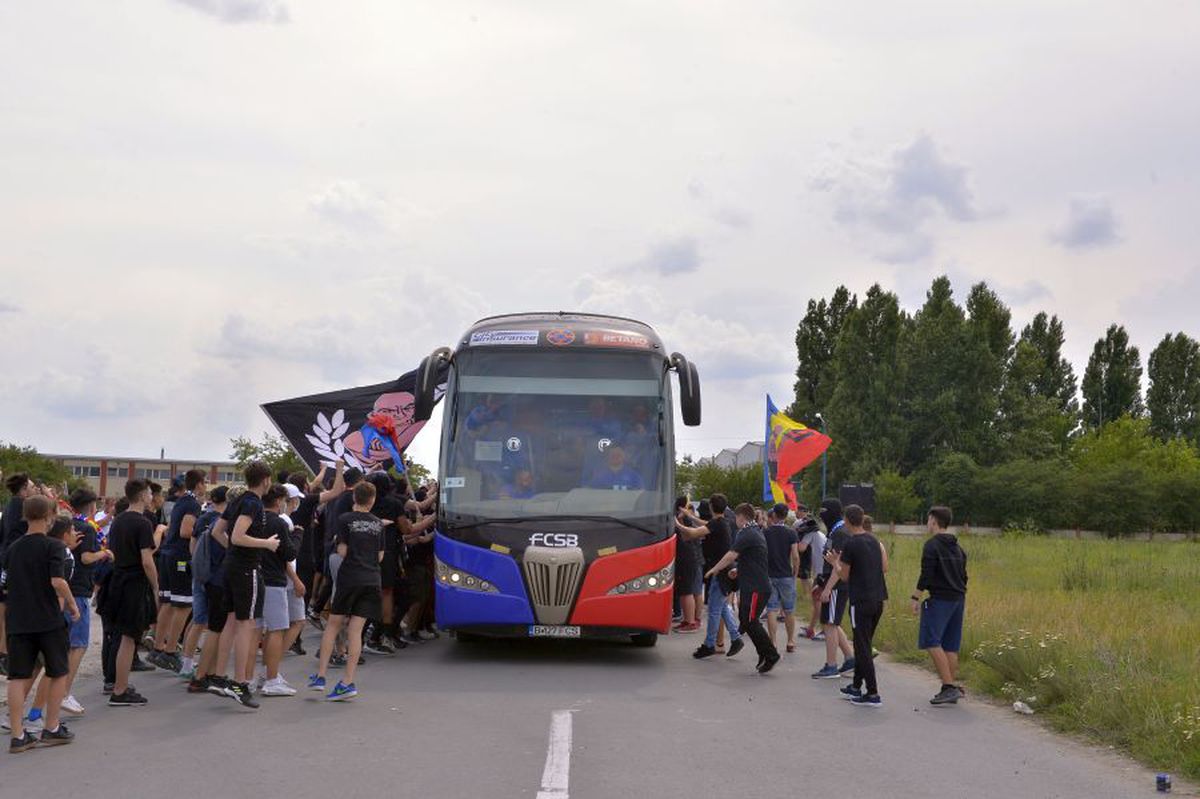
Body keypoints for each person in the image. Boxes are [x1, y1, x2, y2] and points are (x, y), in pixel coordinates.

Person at [5, 496, 79, 752]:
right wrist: (72, 604)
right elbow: (57, 581)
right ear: (49, 517)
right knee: (57, 671)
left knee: (18, 676)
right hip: (47, 618)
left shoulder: (13, 548)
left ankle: (17, 734)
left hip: (18, 620)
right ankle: (52, 726)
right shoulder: (53, 547)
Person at [209, 462, 279, 709]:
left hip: (232, 566)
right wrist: (266, 544)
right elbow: (238, 536)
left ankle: (219, 677)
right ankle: (239, 683)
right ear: (266, 479)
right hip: (245, 569)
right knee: (246, 624)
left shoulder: (237, 499)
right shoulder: (252, 503)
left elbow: (217, 532)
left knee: (231, 621)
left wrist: (233, 552)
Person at [309, 480, 384, 701]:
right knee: (355, 630)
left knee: (333, 625)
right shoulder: (379, 524)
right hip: (372, 579)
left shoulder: (345, 520)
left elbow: (342, 551)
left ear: (354, 498)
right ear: (372, 500)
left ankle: (321, 675)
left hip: (350, 577)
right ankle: (348, 681)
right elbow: (380, 556)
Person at [99, 480, 159, 707]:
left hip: (117, 579)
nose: (151, 496)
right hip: (134, 583)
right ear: (143, 495)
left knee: (122, 635)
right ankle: (120, 690)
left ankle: (119, 683)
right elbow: (147, 560)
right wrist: (155, 586)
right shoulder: (142, 523)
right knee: (129, 638)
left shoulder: (119, 519)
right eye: (150, 492)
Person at [704, 503, 779, 674]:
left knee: (751, 622)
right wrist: (738, 570)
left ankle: (771, 654)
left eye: (735, 518)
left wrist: (715, 569)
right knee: (746, 621)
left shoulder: (747, 533)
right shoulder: (753, 531)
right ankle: (764, 654)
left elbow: (732, 554)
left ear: (740, 517)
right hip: (752, 585)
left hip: (756, 587)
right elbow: (753, 557)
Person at [827, 504, 889, 708]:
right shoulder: (874, 540)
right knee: (865, 642)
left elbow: (843, 575)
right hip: (878, 598)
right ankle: (855, 686)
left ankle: (872, 693)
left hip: (860, 600)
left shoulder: (851, 544)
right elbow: (883, 567)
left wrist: (835, 562)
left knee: (862, 647)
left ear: (846, 520)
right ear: (862, 519)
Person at [149, 469, 206, 672]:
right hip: (179, 557)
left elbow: (172, 525)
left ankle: (158, 646)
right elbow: (185, 531)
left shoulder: (180, 500)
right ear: (199, 484)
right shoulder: (192, 503)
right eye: (204, 482)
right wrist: (204, 530)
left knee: (167, 603)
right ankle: (171, 651)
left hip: (166, 554)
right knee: (183, 605)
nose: (205, 486)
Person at [62, 488, 112, 716]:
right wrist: (104, 554)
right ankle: (64, 692)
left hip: (65, 589)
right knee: (78, 644)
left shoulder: (70, 524)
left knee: (63, 645)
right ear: (92, 507)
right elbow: (86, 556)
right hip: (79, 590)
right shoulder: (87, 529)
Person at [912, 505, 968, 706]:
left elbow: (926, 574)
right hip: (958, 598)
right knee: (950, 645)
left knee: (931, 641)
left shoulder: (932, 545)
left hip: (940, 600)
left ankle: (948, 687)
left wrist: (915, 597)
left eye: (928, 520)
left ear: (934, 521)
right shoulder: (958, 547)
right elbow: (964, 576)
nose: (927, 524)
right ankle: (950, 686)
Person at [256, 485, 300, 696]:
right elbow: (289, 554)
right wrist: (297, 538)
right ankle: (271, 679)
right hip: (273, 579)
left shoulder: (253, 519)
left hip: (255, 576)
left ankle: (261, 675)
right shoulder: (278, 522)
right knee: (276, 630)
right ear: (278, 500)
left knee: (258, 629)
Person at [811, 498, 855, 679]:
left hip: (837, 585)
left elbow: (840, 565)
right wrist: (820, 582)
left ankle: (831, 665)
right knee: (832, 622)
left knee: (829, 624)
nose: (822, 516)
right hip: (831, 583)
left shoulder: (840, 533)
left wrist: (828, 589)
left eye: (824, 512)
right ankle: (850, 657)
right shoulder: (834, 531)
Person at [0, 472, 36, 675]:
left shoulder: (10, 505)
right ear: (23, 490)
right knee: (7, 612)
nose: (33, 490)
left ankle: (3, 654)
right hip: (11, 564)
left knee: (4, 611)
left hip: (5, 561)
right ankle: (4, 655)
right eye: (31, 487)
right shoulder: (19, 507)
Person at [762, 503, 801, 652]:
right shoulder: (791, 533)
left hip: (769, 574)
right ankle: (790, 641)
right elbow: (795, 556)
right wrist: (795, 573)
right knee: (789, 609)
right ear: (785, 516)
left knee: (771, 608)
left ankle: (773, 642)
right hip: (786, 574)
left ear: (774, 515)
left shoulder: (765, 532)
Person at [671, 496, 706, 633]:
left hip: (688, 559)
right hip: (689, 559)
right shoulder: (686, 519)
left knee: (687, 592)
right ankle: (688, 620)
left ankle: (691, 622)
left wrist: (679, 521)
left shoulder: (683, 521)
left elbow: (688, 536)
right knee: (687, 591)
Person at [794, 508, 825, 640]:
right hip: (821, 570)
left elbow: (801, 548)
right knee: (817, 600)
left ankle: (822, 630)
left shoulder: (810, 534)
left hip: (821, 572)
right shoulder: (819, 534)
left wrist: (791, 542)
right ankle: (811, 628)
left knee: (818, 601)